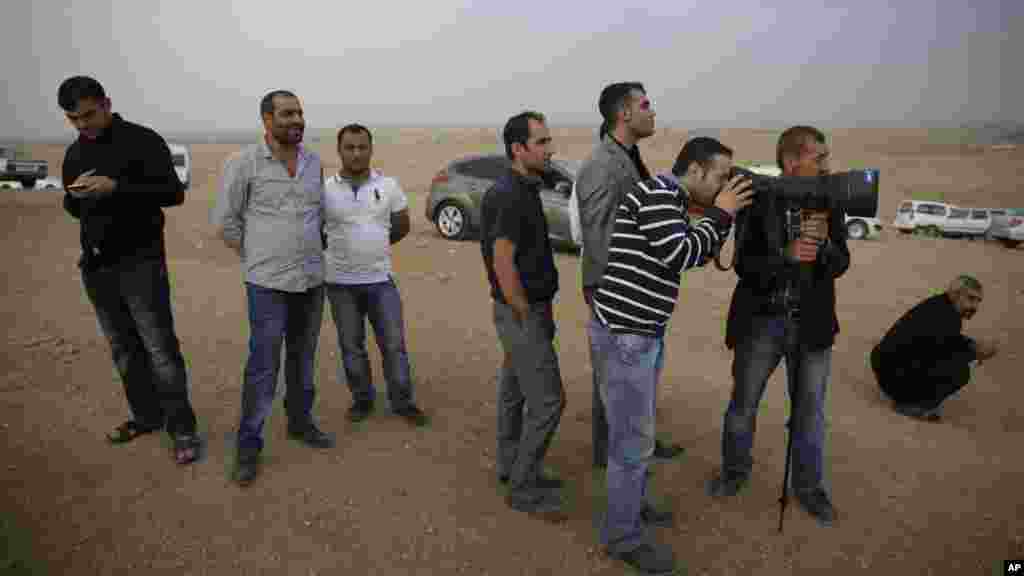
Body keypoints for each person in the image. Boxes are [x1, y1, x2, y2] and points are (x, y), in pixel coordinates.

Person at [592, 137, 754, 574]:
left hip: (639, 333)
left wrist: (719, 218)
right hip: (629, 336)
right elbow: (681, 252)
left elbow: (693, 252)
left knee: (633, 437)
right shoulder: (659, 193)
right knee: (633, 444)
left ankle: (634, 507)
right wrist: (723, 213)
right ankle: (621, 536)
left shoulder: (670, 199)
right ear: (696, 170)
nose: (724, 184)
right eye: (720, 176)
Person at [710, 126, 851, 527]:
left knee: (810, 413)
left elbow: (842, 263)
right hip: (762, 323)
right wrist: (786, 256)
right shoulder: (759, 202)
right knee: (743, 405)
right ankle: (734, 473)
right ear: (792, 162)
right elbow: (744, 266)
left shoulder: (830, 201)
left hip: (813, 326)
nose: (827, 165)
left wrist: (824, 249)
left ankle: (809, 490)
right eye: (819, 157)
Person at [57, 75, 201, 466]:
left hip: (140, 261)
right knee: (123, 348)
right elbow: (72, 207)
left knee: (159, 348)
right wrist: (75, 196)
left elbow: (173, 193)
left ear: (105, 103)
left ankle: (183, 429)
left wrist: (115, 187)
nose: (83, 124)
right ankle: (145, 417)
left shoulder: (142, 140)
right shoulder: (74, 153)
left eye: (88, 115)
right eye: (74, 119)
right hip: (97, 265)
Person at [212, 90, 333, 487]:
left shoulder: (314, 163)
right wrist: (259, 257)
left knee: (302, 357)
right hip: (267, 284)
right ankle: (249, 444)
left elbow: (321, 217)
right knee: (264, 364)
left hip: (312, 281)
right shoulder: (244, 162)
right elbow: (227, 222)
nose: (296, 120)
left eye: (299, 112)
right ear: (266, 120)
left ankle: (300, 422)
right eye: (286, 114)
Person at [574, 82, 684, 471]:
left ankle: (634, 441)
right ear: (623, 114)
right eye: (646, 104)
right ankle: (620, 458)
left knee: (629, 382)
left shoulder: (629, 157)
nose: (652, 111)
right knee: (616, 381)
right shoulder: (602, 165)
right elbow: (598, 233)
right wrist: (610, 291)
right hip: (619, 294)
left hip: (635, 293)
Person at [479, 111, 567, 519]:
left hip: (528, 309)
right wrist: (523, 311)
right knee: (549, 401)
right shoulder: (508, 193)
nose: (550, 149)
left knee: (514, 392)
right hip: (523, 311)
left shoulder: (526, 186)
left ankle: (511, 465)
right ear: (519, 149)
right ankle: (523, 485)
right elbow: (502, 258)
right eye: (543, 142)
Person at [322, 124, 427, 427]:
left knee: (394, 345)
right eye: (349, 147)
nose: (356, 153)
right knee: (352, 347)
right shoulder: (325, 190)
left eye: (362, 147)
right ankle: (362, 399)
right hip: (340, 285)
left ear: (371, 149)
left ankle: (403, 401)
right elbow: (316, 230)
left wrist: (374, 245)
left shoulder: (389, 186)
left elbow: (402, 225)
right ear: (339, 151)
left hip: (381, 282)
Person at [871, 275, 998, 421]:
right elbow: (943, 349)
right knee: (960, 372)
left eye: (978, 301)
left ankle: (908, 397)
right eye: (971, 298)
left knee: (955, 361)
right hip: (892, 375)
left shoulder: (941, 307)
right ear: (955, 295)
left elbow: (946, 340)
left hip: (887, 366)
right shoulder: (946, 316)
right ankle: (908, 404)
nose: (975, 306)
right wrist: (975, 352)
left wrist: (971, 347)